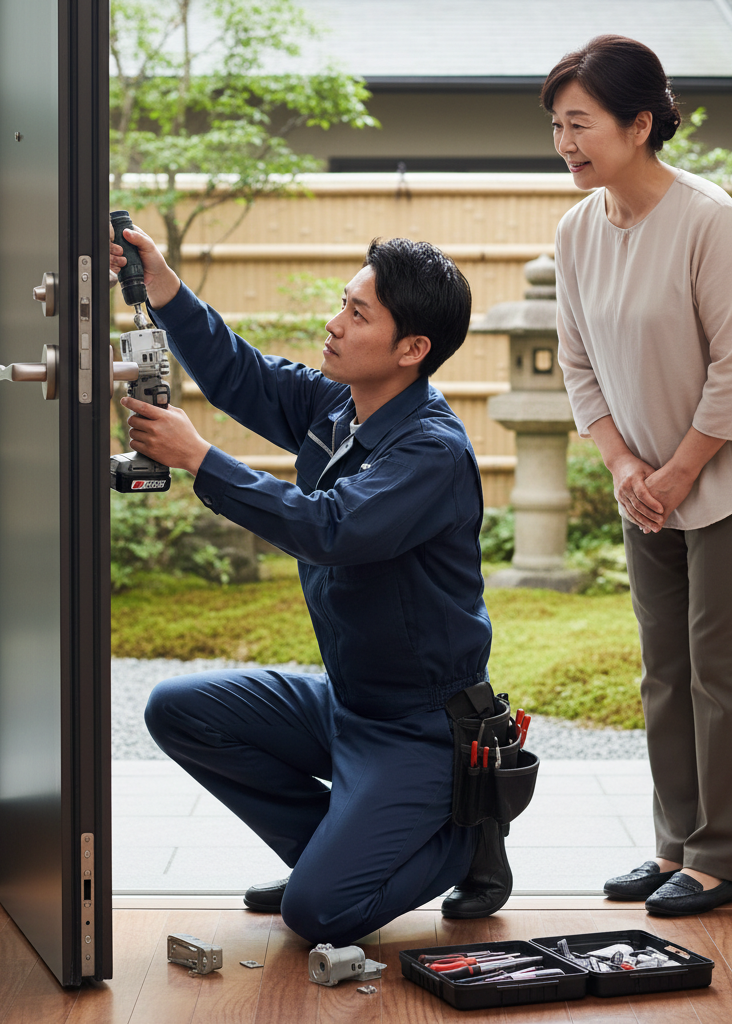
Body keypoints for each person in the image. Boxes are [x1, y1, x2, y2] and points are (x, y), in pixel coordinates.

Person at [109, 227, 511, 945]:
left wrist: (200, 458)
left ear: (411, 349)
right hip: (349, 705)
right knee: (177, 709)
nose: (334, 323)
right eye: (343, 304)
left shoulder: (430, 451)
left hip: (420, 729)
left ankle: (465, 836)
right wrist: (162, 286)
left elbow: (328, 528)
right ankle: (338, 849)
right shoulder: (339, 406)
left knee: (318, 915)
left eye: (359, 315)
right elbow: (239, 374)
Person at [542, 35, 732, 916]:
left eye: (581, 124)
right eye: (557, 126)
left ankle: (721, 860)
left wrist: (679, 471)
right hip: (645, 478)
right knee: (663, 669)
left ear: (639, 123)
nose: (566, 142)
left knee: (721, 672)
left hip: (729, 471)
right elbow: (579, 362)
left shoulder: (706, 217)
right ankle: (674, 847)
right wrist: (624, 464)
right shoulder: (578, 230)